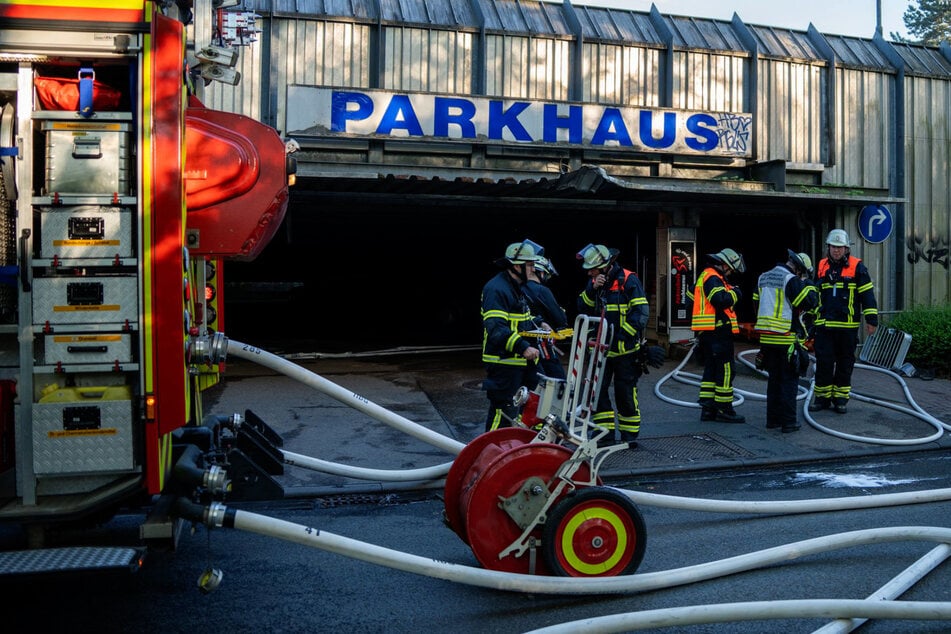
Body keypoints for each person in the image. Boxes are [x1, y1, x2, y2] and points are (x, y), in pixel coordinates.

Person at [576, 243, 649, 446]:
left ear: (605, 265)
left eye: (592, 268)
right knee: (597, 394)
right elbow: (582, 307)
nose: (590, 272)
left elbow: (641, 312)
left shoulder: (628, 279)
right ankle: (604, 436)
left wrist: (622, 336)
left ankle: (629, 438)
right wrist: (592, 289)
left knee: (625, 394)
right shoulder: (595, 284)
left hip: (625, 350)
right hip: (600, 350)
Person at [809, 229, 879, 414]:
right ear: (828, 247)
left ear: (847, 248)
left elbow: (867, 295)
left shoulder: (858, 267)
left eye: (840, 247)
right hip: (824, 325)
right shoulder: (822, 265)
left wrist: (871, 320)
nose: (836, 250)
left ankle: (840, 399)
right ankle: (822, 398)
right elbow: (816, 293)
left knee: (845, 363)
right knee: (823, 362)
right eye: (833, 246)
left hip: (847, 327)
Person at [480, 239, 543, 432]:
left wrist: (538, 323)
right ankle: (492, 454)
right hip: (504, 364)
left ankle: (514, 452)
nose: (533, 269)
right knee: (504, 413)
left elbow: (519, 319)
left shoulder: (515, 287)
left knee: (529, 409)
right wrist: (523, 347)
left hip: (518, 364)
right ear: (517, 265)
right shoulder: (496, 289)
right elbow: (496, 328)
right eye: (530, 264)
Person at [753, 250, 820, 433]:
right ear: (799, 268)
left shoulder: (763, 277)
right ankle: (789, 423)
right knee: (789, 381)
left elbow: (756, 303)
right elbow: (808, 302)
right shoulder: (790, 279)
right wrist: (808, 283)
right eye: (803, 272)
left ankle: (772, 420)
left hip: (766, 338)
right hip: (785, 337)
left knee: (774, 380)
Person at [690, 248, 746, 423]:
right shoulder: (713, 277)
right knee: (726, 370)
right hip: (718, 332)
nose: (731, 273)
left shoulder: (706, 276)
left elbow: (691, 295)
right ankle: (724, 409)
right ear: (724, 264)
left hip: (708, 332)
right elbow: (720, 300)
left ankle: (708, 409)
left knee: (711, 370)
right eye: (730, 269)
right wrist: (735, 293)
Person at [523, 256, 569, 380]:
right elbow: (561, 320)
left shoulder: (518, 289)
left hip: (524, 346)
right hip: (543, 345)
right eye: (546, 275)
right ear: (539, 272)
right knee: (558, 381)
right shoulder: (542, 290)